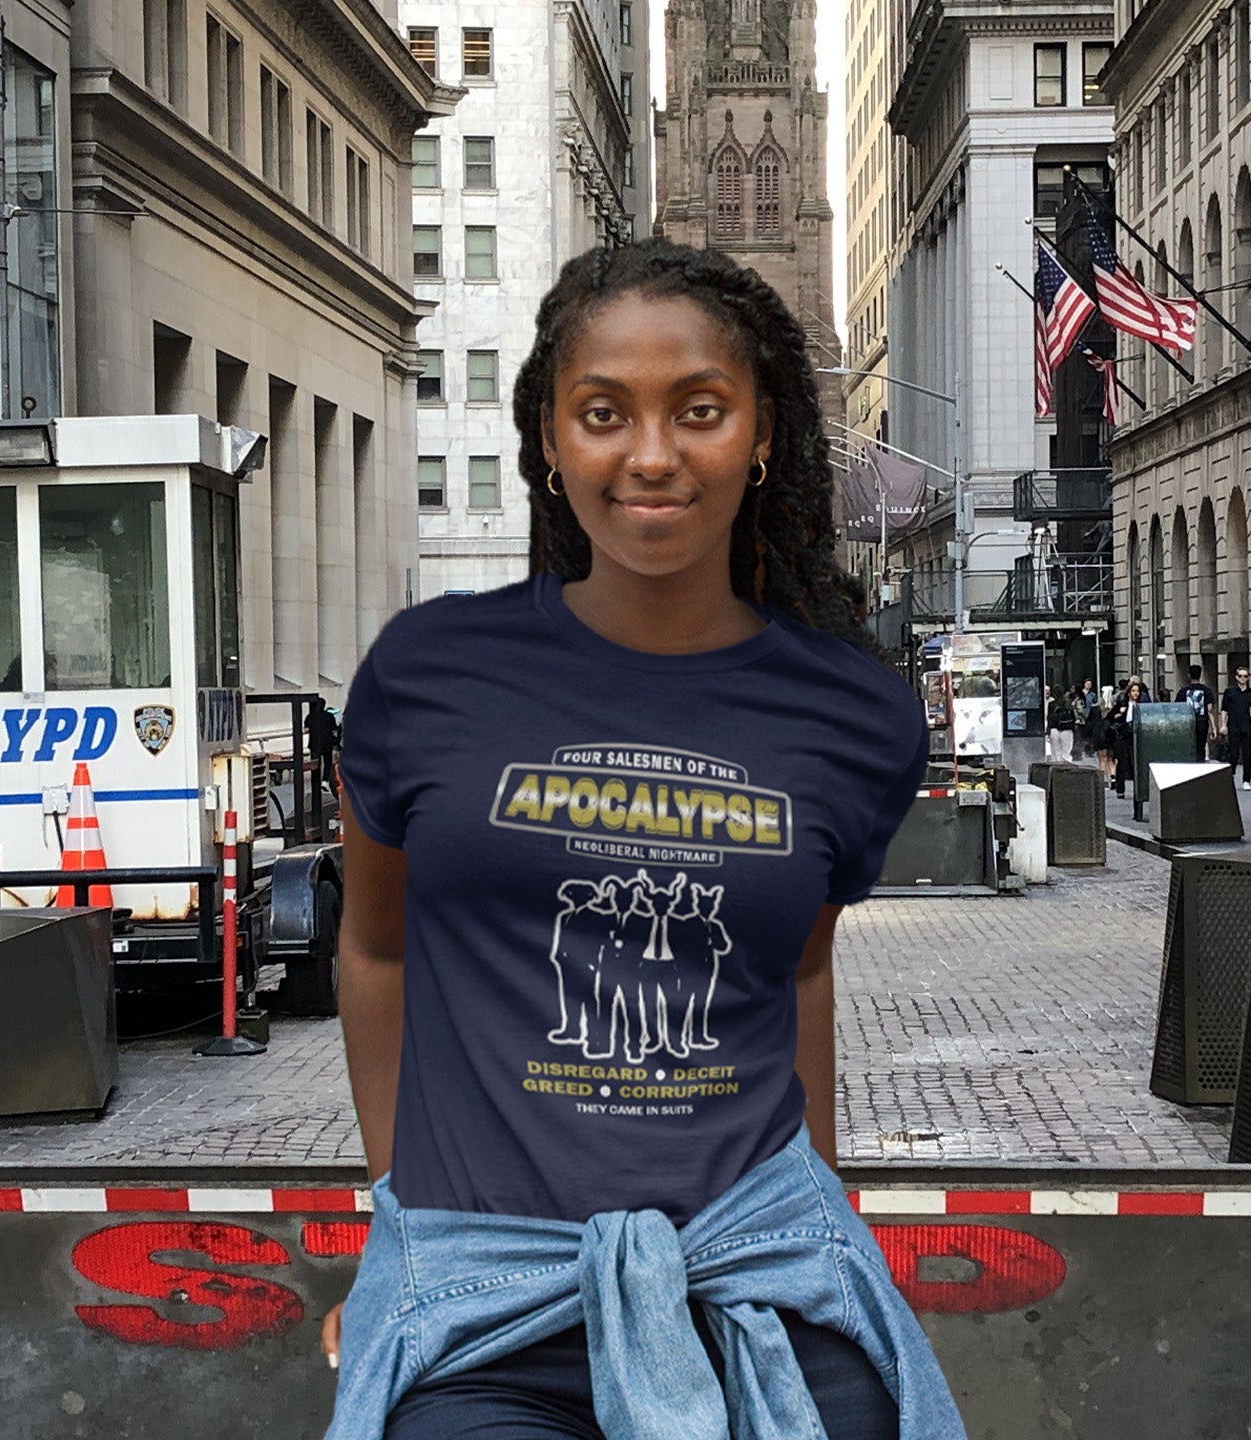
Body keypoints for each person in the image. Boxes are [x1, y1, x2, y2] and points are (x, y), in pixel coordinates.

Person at [318, 240, 964, 1440]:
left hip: (748, 1269)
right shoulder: (425, 673)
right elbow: (378, 952)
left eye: (701, 410)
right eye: (604, 413)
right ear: (553, 442)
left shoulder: (855, 713)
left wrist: (813, 1225)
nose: (653, 455)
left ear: (762, 433)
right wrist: (395, 1230)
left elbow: (801, 971)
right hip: (488, 1290)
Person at [1220, 665, 1251, 790]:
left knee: (1247, 754)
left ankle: (1246, 780)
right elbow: (1224, 709)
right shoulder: (1230, 692)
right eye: (1240, 676)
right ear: (1236, 677)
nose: (1243, 678)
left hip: (1246, 726)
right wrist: (1223, 725)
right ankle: (1231, 772)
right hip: (1233, 725)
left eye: (1245, 676)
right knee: (1234, 753)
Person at [1107, 680, 1144, 797]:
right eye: (1133, 691)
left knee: (1136, 763)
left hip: (1137, 736)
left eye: (1137, 691)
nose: (1136, 693)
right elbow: (1110, 717)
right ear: (1129, 693)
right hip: (1123, 736)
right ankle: (1120, 789)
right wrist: (1118, 715)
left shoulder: (1141, 705)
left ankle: (1139, 790)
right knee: (1122, 763)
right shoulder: (1123, 704)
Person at [1179, 665, 1217, 765]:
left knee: (1189, 747)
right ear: (1201, 675)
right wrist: (1214, 728)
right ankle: (1199, 765)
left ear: (1189, 675)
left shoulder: (1183, 691)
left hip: (1187, 724)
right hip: (1202, 723)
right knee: (1201, 747)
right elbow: (1210, 710)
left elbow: (1178, 708)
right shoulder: (1206, 691)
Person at [1047, 686, 1075, 762]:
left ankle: (1056, 767)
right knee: (1066, 752)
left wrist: (1048, 731)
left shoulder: (1051, 704)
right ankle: (1067, 768)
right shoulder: (1068, 703)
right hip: (1067, 728)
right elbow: (1073, 717)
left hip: (1054, 728)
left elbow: (1049, 718)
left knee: (1055, 752)